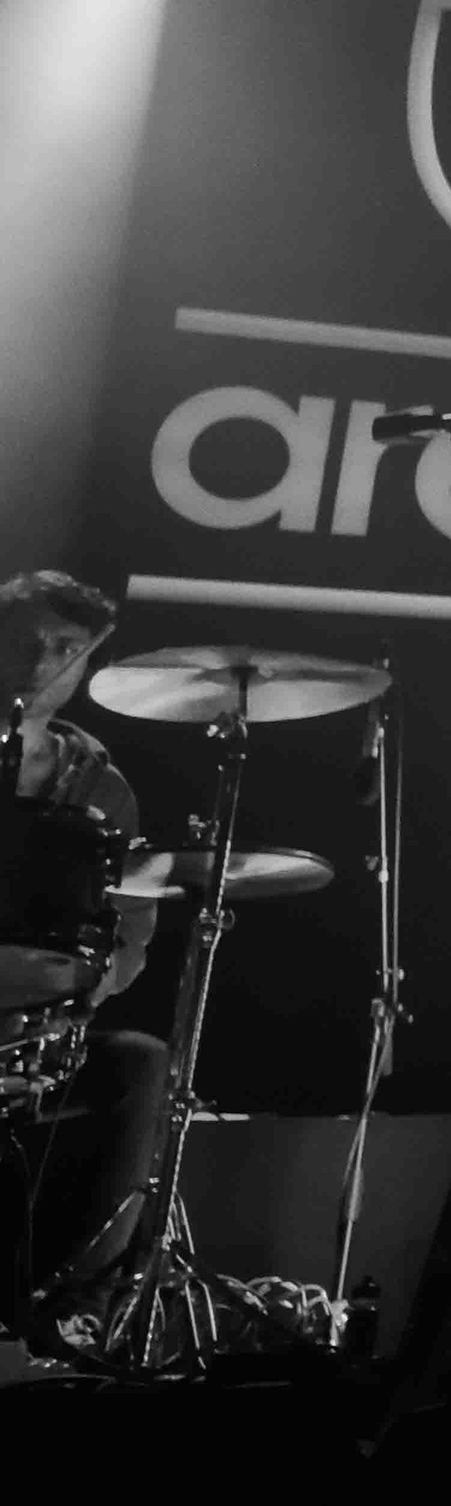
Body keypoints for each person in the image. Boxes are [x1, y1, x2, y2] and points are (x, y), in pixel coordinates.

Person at [3, 568, 166, 1359]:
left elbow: (129, 929)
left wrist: (84, 984)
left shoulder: (102, 785)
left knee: (138, 1062)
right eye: (24, 640)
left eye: (64, 648)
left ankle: (75, 1309)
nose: (41, 662)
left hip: (31, 1033)